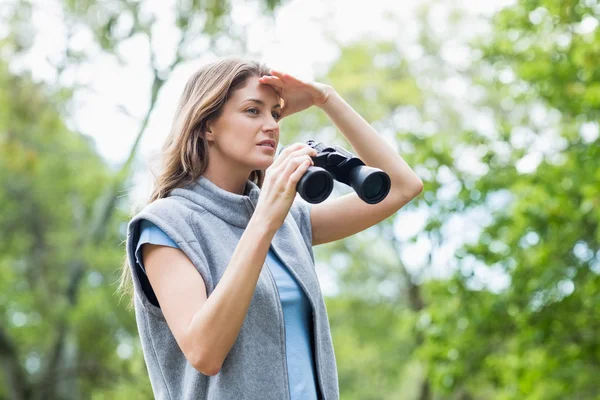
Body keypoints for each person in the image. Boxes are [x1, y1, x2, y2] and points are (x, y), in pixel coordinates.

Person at [119, 57, 423, 400]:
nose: (271, 125)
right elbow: (205, 353)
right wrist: (265, 219)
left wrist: (326, 99)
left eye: (276, 114)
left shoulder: (289, 220)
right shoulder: (165, 226)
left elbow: (402, 186)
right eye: (253, 111)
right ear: (207, 126)